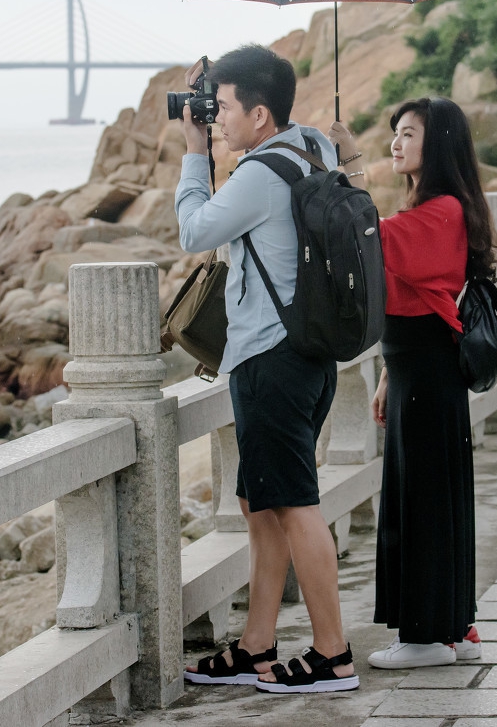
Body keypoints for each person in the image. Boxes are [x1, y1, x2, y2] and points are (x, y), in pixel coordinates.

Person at [174, 45, 358, 694]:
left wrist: (195, 153)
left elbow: (194, 231)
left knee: (297, 505)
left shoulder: (256, 174)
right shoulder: (313, 145)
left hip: (270, 362)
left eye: (221, 108)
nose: (213, 118)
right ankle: (257, 644)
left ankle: (333, 655)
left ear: (258, 113)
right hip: (306, 358)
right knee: (262, 502)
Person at [332, 97, 497, 669]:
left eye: (409, 133)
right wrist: (386, 375)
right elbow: (411, 292)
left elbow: (369, 237)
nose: (397, 143)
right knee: (432, 495)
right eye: (395, 134)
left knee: (423, 500)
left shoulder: (442, 211)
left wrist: (349, 163)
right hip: (416, 371)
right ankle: (454, 626)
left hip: (427, 373)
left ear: (440, 144)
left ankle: (428, 638)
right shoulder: (437, 208)